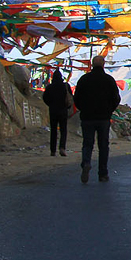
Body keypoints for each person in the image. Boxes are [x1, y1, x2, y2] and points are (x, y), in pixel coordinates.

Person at [73, 55, 121, 183]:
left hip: (87, 117)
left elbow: (76, 98)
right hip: (103, 118)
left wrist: (83, 108)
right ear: (103, 64)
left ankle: (86, 163)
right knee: (103, 146)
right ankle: (103, 173)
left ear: (92, 65)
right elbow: (116, 98)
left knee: (87, 143)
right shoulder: (109, 80)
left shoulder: (84, 79)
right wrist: (109, 110)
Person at [41, 68, 73, 156]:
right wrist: (67, 106)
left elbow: (45, 98)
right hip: (63, 110)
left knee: (53, 130)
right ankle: (62, 148)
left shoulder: (50, 87)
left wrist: (51, 104)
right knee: (63, 130)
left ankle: (53, 150)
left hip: (53, 111)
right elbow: (70, 97)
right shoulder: (65, 86)